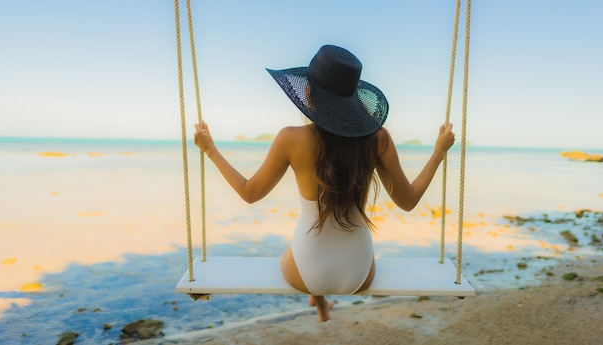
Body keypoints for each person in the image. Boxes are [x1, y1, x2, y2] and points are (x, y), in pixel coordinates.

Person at [193, 44, 455, 321]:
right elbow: (408, 200)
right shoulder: (378, 139)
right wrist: (438, 152)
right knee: (323, 248)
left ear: (308, 92)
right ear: (353, 98)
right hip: (359, 272)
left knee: (298, 248)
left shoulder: (290, 138)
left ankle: (318, 299)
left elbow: (249, 193)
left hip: (307, 270)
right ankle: (322, 306)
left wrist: (210, 149)